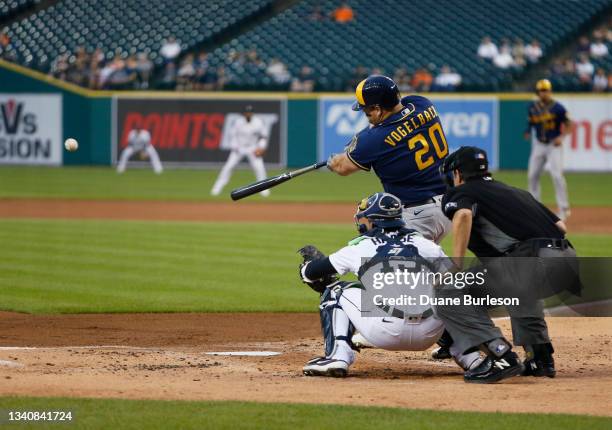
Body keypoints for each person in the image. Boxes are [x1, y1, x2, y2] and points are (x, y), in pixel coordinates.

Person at [436, 146, 580, 383]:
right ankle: (540, 360)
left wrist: (456, 265)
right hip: (567, 262)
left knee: (448, 291)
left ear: (458, 174)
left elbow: (462, 215)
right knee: (517, 284)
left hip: (531, 261)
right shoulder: (517, 192)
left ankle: (499, 355)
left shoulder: (462, 192)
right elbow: (561, 227)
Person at [298, 192, 482, 377]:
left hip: (384, 332)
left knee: (336, 291)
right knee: (445, 291)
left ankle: (338, 356)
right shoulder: (426, 245)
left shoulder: (360, 247)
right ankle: (469, 355)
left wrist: (306, 267)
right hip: (428, 334)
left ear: (373, 220)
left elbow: (310, 274)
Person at [326, 75, 451, 243]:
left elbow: (343, 168)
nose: (366, 115)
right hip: (448, 204)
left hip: (418, 215)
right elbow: (394, 119)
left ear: (377, 109)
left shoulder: (372, 140)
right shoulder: (421, 103)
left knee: (391, 266)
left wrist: (334, 161)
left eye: (366, 111)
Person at [524, 79, 573, 220]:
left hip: (553, 145)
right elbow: (531, 123)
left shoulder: (558, 108)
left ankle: (564, 208)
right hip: (539, 145)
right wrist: (527, 131)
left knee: (557, 175)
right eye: (541, 90)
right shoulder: (532, 107)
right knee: (532, 175)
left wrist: (562, 137)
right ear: (538, 92)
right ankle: (534, 207)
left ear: (550, 91)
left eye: (546, 90)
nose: (544, 93)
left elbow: (569, 124)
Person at [211, 105, 270, 197]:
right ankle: (217, 188)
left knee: (259, 168)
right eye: (247, 112)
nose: (248, 114)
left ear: (252, 113)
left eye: (250, 112)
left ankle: (264, 190)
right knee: (228, 167)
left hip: (252, 148)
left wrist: (261, 147)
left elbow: (263, 136)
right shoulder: (238, 122)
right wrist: (235, 146)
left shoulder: (258, 122)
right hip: (239, 148)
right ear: (244, 113)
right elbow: (232, 135)